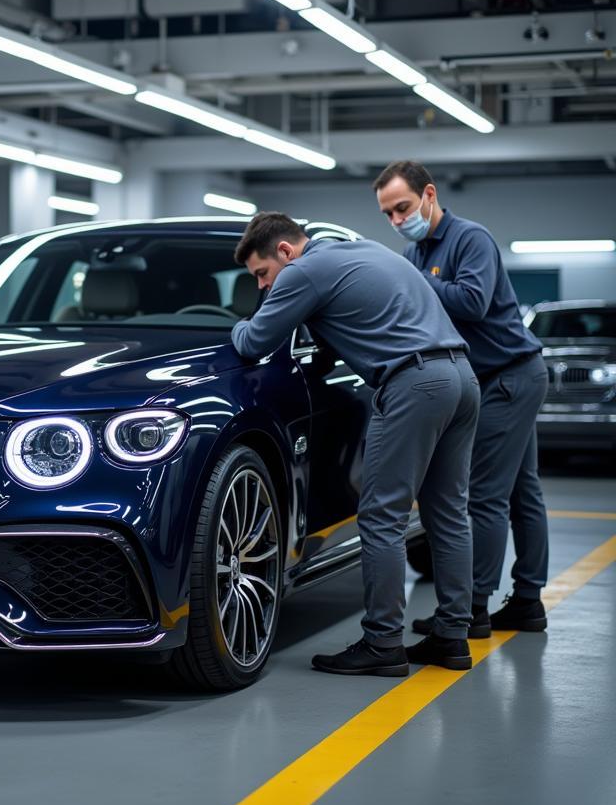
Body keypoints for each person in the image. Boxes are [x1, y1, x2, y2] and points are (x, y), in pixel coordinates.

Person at [232, 212, 480, 676]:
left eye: (262, 274)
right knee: (447, 514)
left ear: (285, 251)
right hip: (461, 376)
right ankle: (452, 638)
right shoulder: (360, 249)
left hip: (414, 384)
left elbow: (254, 340)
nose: (264, 287)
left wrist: (230, 324)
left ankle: (383, 643)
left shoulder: (303, 271)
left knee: (381, 515)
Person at [374, 161, 549, 637]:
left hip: (509, 377)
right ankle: (529, 602)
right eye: (388, 214)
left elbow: (473, 301)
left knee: (486, 497)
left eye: (402, 208)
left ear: (429, 194)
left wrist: (411, 280)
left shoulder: (471, 239)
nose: (396, 221)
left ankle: (472, 608)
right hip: (497, 376)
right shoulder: (414, 250)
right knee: (522, 491)